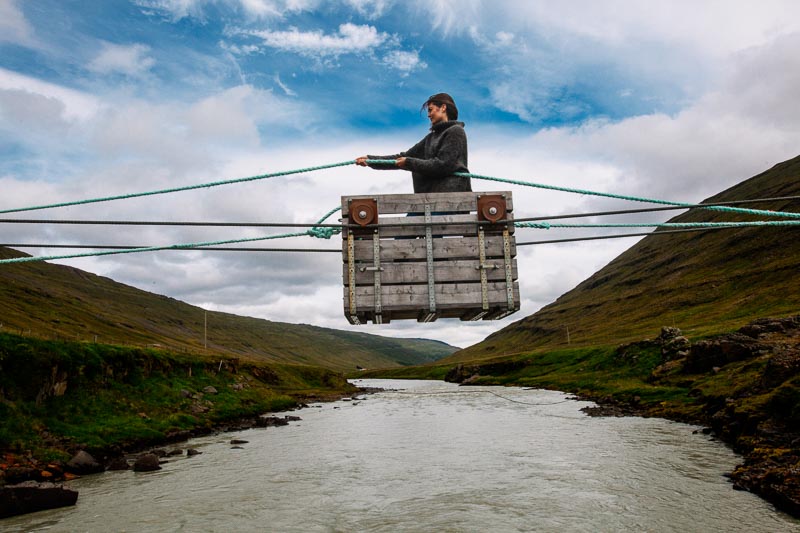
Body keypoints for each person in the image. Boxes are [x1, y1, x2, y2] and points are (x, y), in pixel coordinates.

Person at [355, 93, 472, 193]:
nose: (428, 115)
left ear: (443, 108)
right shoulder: (430, 138)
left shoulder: (456, 132)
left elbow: (443, 165)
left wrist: (409, 162)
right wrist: (370, 160)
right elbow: (402, 158)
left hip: (452, 200)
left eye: (430, 110)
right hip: (430, 200)